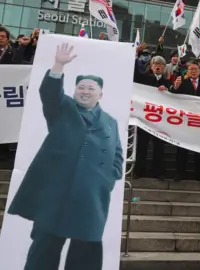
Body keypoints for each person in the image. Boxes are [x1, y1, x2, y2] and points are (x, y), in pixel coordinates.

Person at [8, 43, 123, 270]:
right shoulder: (62, 108)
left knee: (86, 252)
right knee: (45, 249)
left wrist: (110, 175)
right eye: (81, 87)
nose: (85, 91)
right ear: (74, 90)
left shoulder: (111, 121)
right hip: (56, 192)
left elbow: (117, 152)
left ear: (101, 93)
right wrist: (58, 65)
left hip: (91, 196)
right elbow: (49, 93)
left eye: (91, 88)